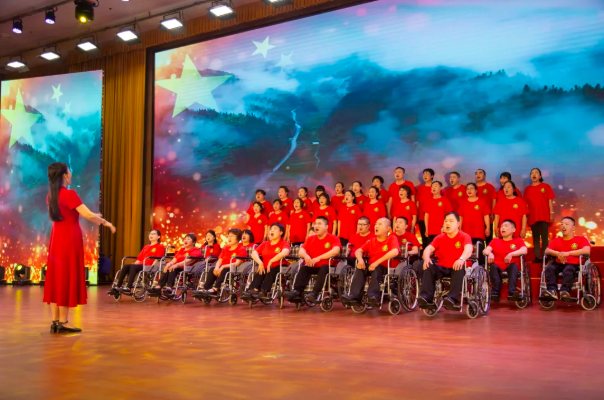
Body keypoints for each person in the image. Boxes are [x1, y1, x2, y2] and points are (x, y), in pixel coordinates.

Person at [44, 162, 116, 333]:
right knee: (66, 277)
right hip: (69, 239)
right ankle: (64, 322)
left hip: (57, 239)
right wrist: (105, 222)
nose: (71, 174)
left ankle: (55, 321)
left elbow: (74, 212)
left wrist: (94, 215)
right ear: (64, 175)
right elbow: (87, 215)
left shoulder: (51, 195)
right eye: (69, 171)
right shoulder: (69, 193)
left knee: (56, 278)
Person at [417, 212, 474, 310]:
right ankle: (426, 297)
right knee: (427, 264)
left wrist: (461, 259)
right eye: (446, 221)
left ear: (458, 224)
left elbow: (468, 249)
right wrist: (426, 257)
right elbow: (428, 248)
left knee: (459, 267)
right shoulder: (439, 237)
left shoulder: (464, 236)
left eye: (451, 221)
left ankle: (451, 299)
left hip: (457, 266)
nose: (447, 223)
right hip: (442, 266)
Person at [342, 218, 400, 306]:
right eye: (376, 224)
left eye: (380, 224)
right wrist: (360, 260)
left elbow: (395, 252)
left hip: (385, 267)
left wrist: (377, 262)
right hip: (371, 266)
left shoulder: (392, 238)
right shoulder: (372, 241)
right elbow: (358, 251)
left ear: (388, 228)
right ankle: (354, 296)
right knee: (360, 268)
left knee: (376, 268)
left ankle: (373, 296)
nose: (376, 226)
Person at [284, 216, 342, 303]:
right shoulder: (311, 238)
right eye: (315, 224)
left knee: (324, 267)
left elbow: (336, 251)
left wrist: (319, 258)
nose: (316, 226)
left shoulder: (333, 238)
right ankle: (297, 292)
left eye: (319, 224)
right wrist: (306, 256)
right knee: (304, 268)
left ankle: (314, 293)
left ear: (326, 226)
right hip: (313, 266)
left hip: (328, 267)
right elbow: (301, 251)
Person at [542, 217, 591, 300]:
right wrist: (558, 254)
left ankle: (564, 291)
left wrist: (568, 253)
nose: (563, 226)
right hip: (559, 264)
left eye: (567, 224)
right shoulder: (556, 240)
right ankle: (552, 291)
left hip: (574, 264)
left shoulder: (581, 239)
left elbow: (587, 251)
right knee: (550, 268)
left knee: (568, 269)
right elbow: (547, 251)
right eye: (562, 224)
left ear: (573, 228)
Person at [242, 223, 291, 301]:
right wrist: (260, 262)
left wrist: (272, 260)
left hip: (280, 266)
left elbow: (285, 252)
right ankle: (253, 290)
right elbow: (254, 253)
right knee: (261, 270)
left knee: (271, 270)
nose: (272, 231)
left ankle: (264, 291)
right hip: (265, 266)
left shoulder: (283, 243)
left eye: (275, 229)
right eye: (271, 229)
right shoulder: (265, 243)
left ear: (281, 232)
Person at [109, 229, 165, 295]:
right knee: (126, 266)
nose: (151, 235)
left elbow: (158, 259)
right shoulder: (146, 247)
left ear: (158, 237)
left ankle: (128, 287)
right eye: (150, 234)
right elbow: (139, 258)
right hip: (142, 264)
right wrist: (135, 263)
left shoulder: (160, 246)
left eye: (153, 234)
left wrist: (152, 267)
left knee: (133, 266)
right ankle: (117, 287)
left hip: (149, 266)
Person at [194, 229, 247, 298]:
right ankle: (206, 289)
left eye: (232, 236)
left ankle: (215, 289)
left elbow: (237, 263)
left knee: (224, 270)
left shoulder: (241, 249)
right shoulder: (225, 248)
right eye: (228, 236)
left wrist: (223, 267)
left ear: (238, 238)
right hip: (223, 268)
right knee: (212, 269)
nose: (229, 238)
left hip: (234, 269)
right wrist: (216, 268)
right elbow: (219, 260)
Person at [483, 220, 527, 302]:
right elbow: (485, 250)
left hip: (511, 266)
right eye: (502, 226)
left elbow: (524, 250)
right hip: (498, 266)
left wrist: (511, 254)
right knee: (493, 267)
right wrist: (490, 253)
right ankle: (495, 293)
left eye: (506, 226)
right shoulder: (495, 241)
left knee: (514, 266)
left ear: (513, 230)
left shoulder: (518, 241)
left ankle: (512, 292)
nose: (503, 228)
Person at [523, 168, 555, 263]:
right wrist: (526, 217)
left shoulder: (546, 186)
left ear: (540, 176)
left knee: (545, 237)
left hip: (544, 215)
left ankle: (545, 256)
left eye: (536, 173)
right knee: (536, 237)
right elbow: (526, 204)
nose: (534, 174)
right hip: (533, 216)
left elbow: (550, 201)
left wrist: (551, 214)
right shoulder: (527, 189)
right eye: (532, 173)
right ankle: (537, 257)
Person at [458, 182, 490, 263]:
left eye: (471, 188)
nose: (469, 190)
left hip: (478, 232)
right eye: (467, 189)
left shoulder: (482, 202)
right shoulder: (463, 202)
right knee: (467, 252)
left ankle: (480, 268)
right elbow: (460, 217)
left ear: (476, 191)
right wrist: (460, 229)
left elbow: (486, 216)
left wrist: (488, 227)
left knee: (479, 253)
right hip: (466, 232)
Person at [424, 181, 453, 248]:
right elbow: (426, 216)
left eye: (436, 186)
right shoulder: (428, 200)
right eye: (432, 186)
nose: (433, 188)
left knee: (443, 248)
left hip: (442, 230)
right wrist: (427, 229)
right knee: (431, 249)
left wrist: (446, 227)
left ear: (441, 188)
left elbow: (449, 215)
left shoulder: (445, 200)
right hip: (431, 230)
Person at [475, 169, 497, 242]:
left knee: (488, 239)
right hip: (476, 217)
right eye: (476, 173)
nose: (478, 175)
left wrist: (492, 213)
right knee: (477, 239)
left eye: (480, 173)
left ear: (484, 176)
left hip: (488, 216)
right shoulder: (472, 188)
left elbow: (494, 199)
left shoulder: (490, 187)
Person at [416, 168, 435, 248]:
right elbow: (417, 202)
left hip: (432, 218)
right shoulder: (420, 188)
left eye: (427, 174)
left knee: (432, 239)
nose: (425, 176)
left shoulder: (435, 188)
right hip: (422, 216)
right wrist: (417, 214)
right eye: (424, 174)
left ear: (432, 176)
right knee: (423, 237)